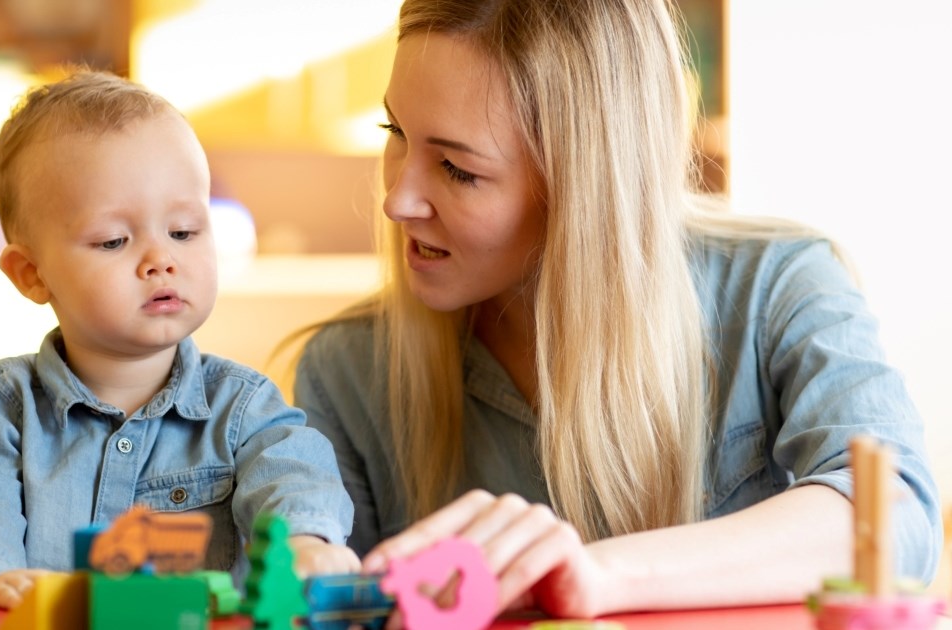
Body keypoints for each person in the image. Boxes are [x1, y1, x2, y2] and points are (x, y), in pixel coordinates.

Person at [292, 0, 941, 620]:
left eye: (457, 169)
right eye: (395, 133)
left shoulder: (778, 288)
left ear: (583, 186)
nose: (397, 199)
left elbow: (892, 517)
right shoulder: (347, 371)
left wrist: (598, 575)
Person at [0, 70, 358, 609]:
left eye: (183, 232)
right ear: (32, 274)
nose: (161, 260)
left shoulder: (241, 405)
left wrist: (306, 541)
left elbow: (294, 469)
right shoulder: (5, 402)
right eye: (114, 240)